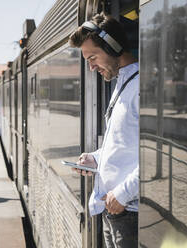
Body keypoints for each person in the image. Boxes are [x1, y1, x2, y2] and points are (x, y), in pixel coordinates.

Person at [69, 13, 139, 248]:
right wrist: (96, 159)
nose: (90, 67)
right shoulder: (123, 84)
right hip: (115, 210)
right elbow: (123, 145)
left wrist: (123, 194)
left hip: (129, 212)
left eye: (92, 57)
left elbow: (155, 154)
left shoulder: (140, 88)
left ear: (113, 47)